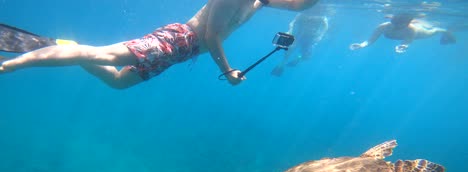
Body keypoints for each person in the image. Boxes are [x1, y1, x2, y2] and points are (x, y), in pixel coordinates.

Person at [0, 0, 319, 88]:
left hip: (184, 52)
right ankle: (12, 64)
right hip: (178, 41)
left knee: (119, 82)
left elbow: (298, 5)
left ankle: (70, 46)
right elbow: (211, 35)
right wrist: (229, 70)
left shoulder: (257, 1)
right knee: (104, 55)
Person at [349, 13, 456, 53]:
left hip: (421, 34)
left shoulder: (411, 29)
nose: (397, 27)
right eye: (395, 23)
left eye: (401, 24)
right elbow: (370, 40)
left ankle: (445, 31)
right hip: (400, 36)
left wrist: (403, 46)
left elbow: (408, 41)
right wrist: (361, 45)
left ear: (407, 23)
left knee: (433, 31)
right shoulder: (383, 27)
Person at [271, 11, 328, 76]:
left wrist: (320, 36)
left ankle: (298, 58)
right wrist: (290, 31)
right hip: (300, 34)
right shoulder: (304, 13)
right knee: (290, 48)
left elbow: (325, 27)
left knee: (307, 56)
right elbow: (293, 22)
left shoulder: (322, 17)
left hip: (311, 37)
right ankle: (282, 64)